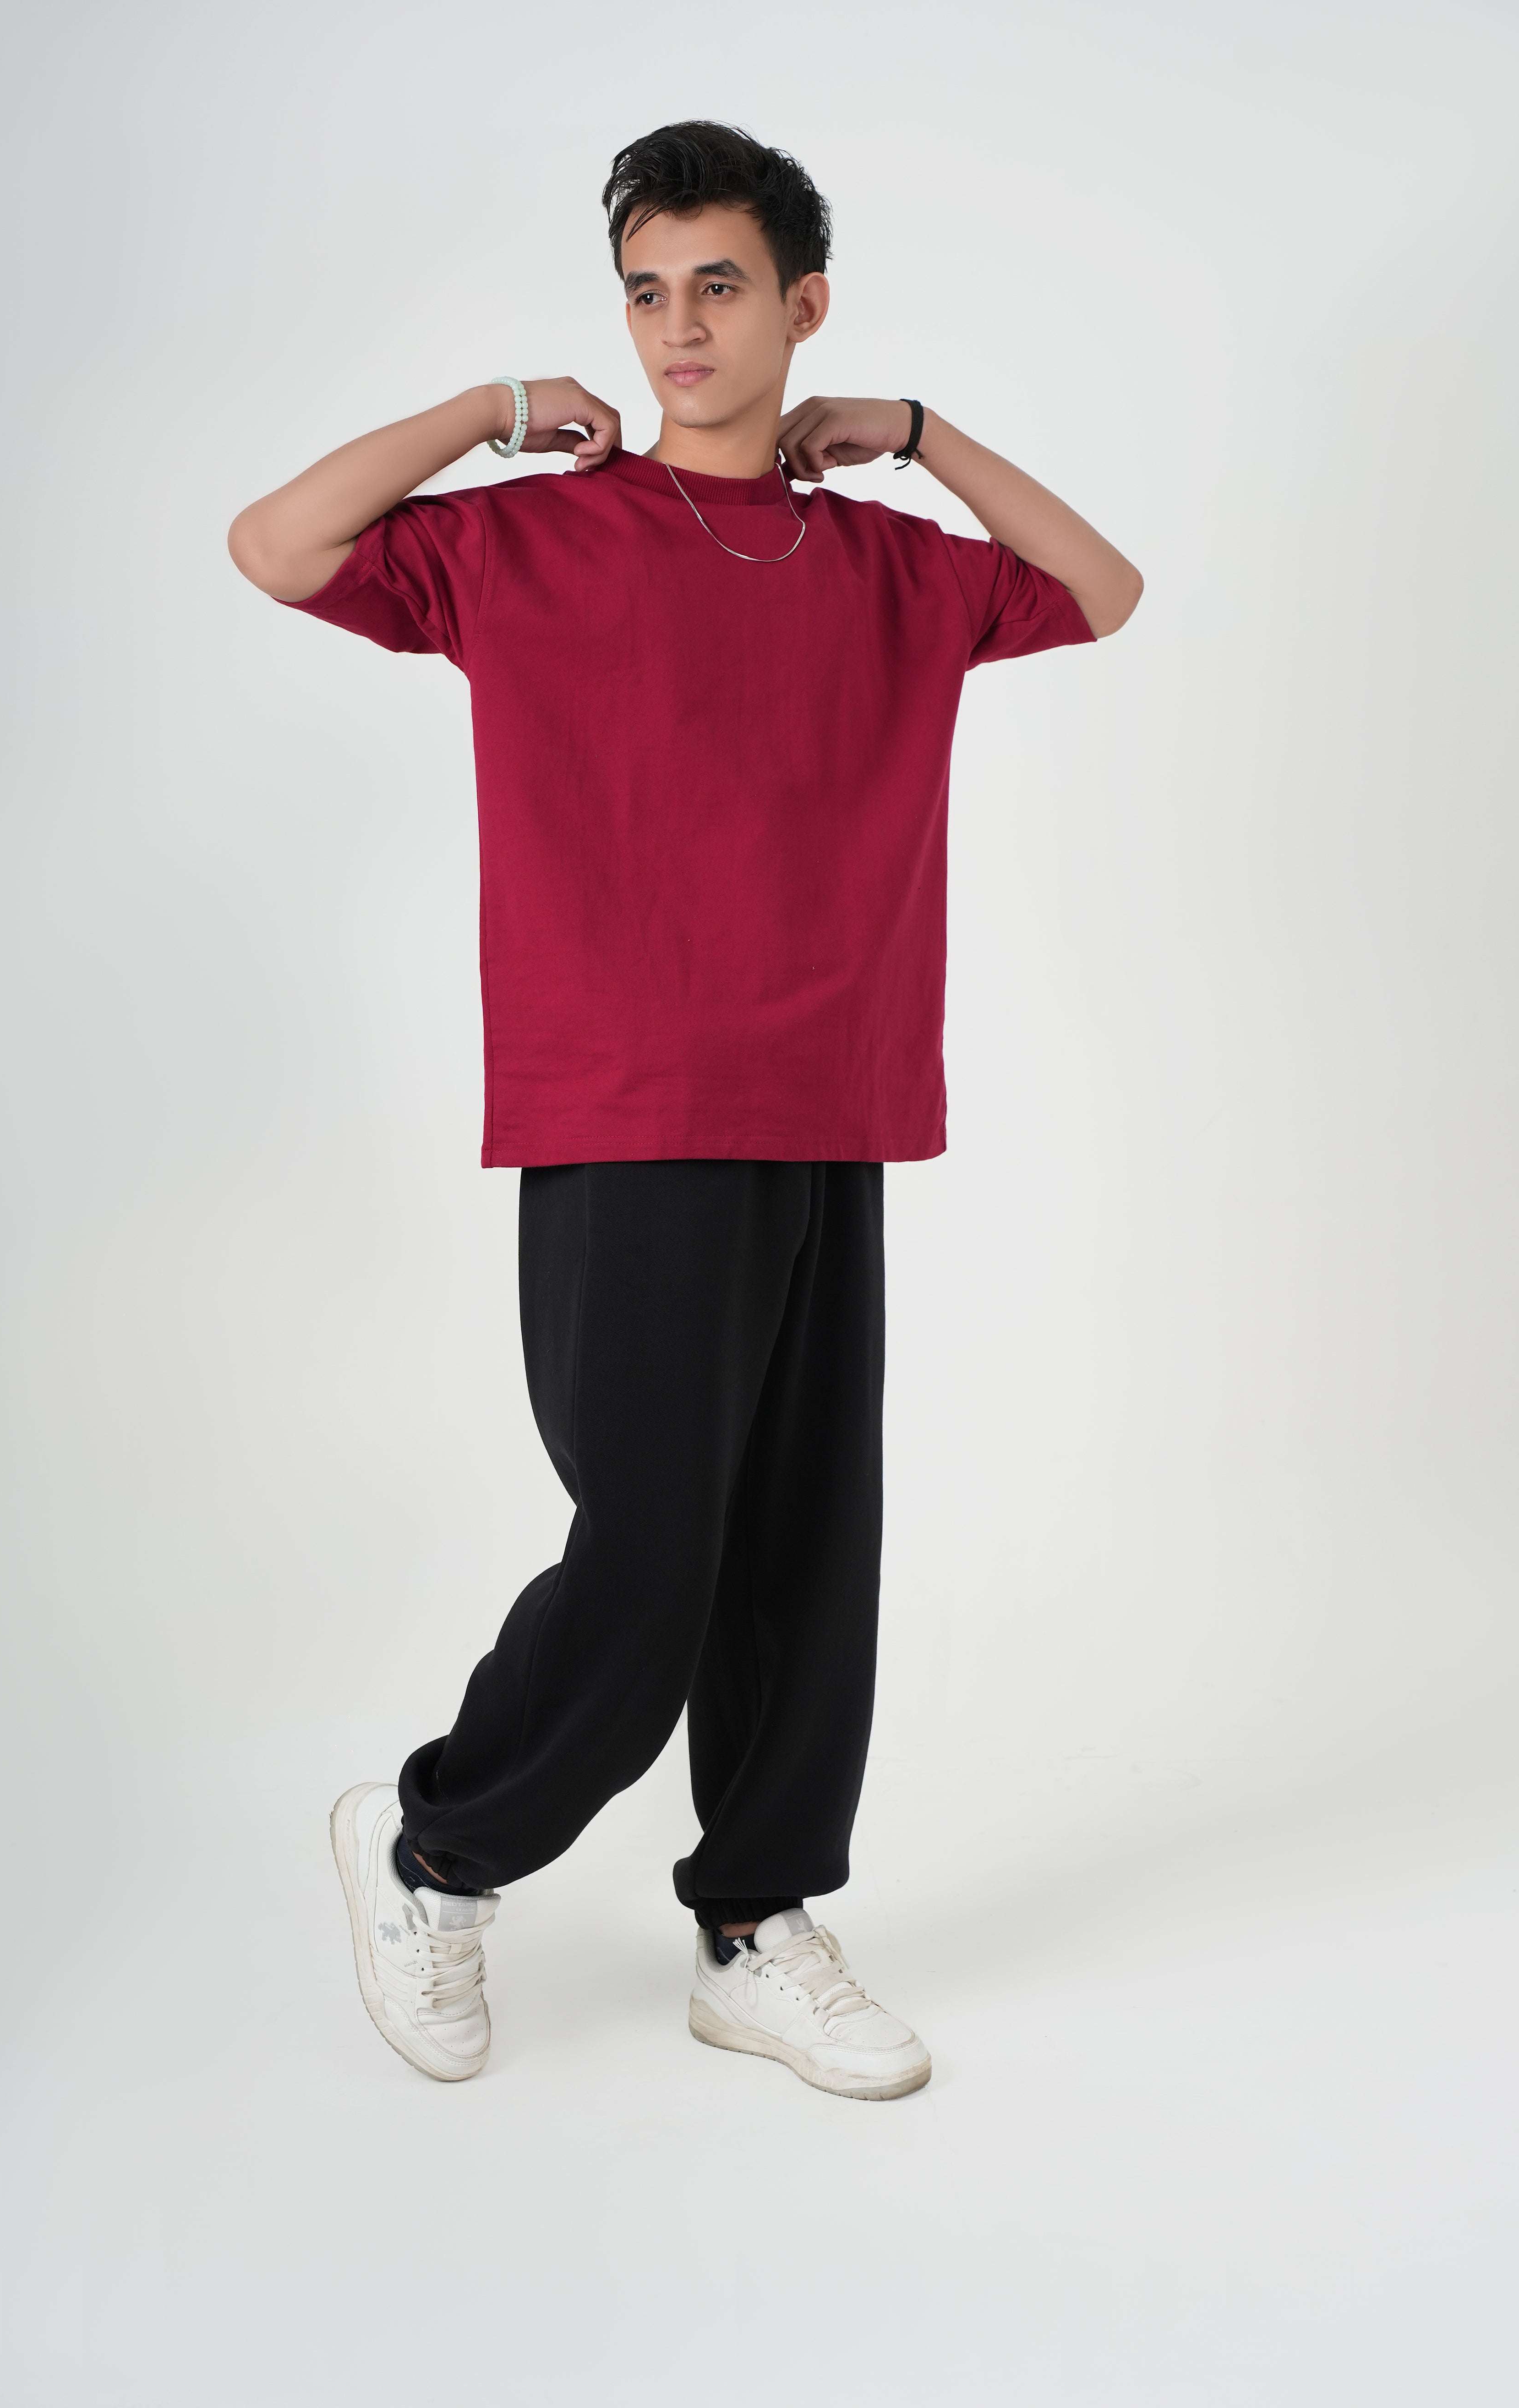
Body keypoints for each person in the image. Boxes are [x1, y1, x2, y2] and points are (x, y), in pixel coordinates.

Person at [227, 120, 1142, 2102]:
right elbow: (276, 546)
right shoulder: (534, 541)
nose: (677, 330)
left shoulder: (884, 566)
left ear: (804, 306)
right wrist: (489, 410)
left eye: (719, 286)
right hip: (625, 1106)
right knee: (649, 1556)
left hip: (830, 1100)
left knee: (806, 1546)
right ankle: (433, 1846)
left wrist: (923, 436)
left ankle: (755, 1920)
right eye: (646, 292)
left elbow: (1106, 586)